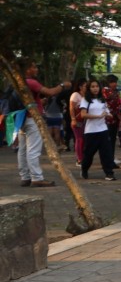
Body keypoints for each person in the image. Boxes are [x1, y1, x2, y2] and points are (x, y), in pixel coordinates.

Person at [17, 58, 70, 187]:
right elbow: (51, 92)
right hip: (32, 118)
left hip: (20, 118)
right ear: (26, 69)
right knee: (33, 150)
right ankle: (37, 177)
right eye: (33, 67)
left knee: (22, 149)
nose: (36, 69)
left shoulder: (17, 82)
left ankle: (25, 176)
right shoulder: (31, 82)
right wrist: (63, 85)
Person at [79, 78, 117, 181]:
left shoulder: (102, 99)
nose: (95, 89)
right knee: (89, 154)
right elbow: (83, 114)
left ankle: (109, 173)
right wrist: (98, 116)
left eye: (97, 86)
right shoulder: (85, 100)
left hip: (103, 130)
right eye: (92, 87)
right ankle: (84, 169)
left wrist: (108, 115)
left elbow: (107, 113)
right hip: (91, 131)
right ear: (89, 88)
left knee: (106, 153)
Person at [102, 75, 121, 161]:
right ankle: (108, 159)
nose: (115, 84)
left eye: (115, 82)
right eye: (112, 82)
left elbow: (118, 106)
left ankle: (111, 158)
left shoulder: (115, 92)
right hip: (107, 120)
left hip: (115, 119)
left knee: (112, 140)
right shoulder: (105, 91)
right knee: (108, 140)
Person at [69, 78, 86, 166]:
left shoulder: (86, 95)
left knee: (84, 140)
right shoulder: (75, 95)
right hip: (77, 120)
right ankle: (79, 159)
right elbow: (71, 107)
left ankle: (82, 157)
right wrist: (73, 119)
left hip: (85, 121)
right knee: (79, 139)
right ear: (80, 87)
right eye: (85, 86)